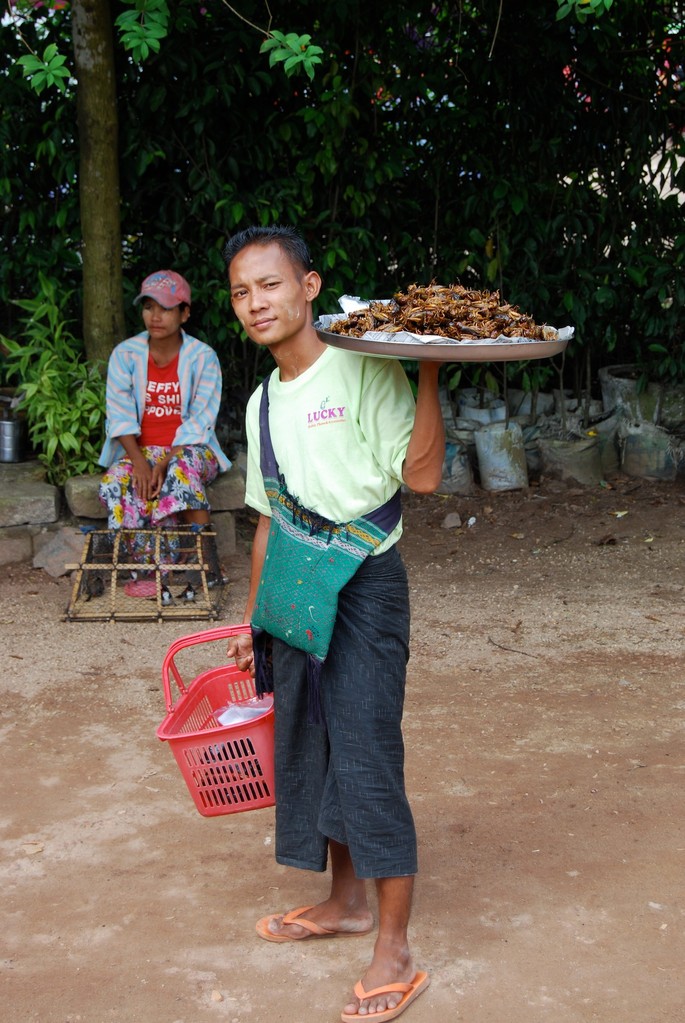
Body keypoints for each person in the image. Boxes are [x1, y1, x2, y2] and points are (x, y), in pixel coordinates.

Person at [223, 225, 446, 1023]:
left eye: (270, 285)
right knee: (313, 740)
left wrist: (425, 372)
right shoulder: (260, 401)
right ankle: (345, 901)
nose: (256, 302)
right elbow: (262, 517)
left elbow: (419, 478)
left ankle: (395, 948)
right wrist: (257, 624)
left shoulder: (363, 369)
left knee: (366, 751)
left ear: (309, 287)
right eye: (243, 291)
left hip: (365, 586)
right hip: (295, 587)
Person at [98, 270, 230, 565]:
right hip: (139, 451)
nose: (155, 316)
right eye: (149, 307)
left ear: (184, 314)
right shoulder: (125, 354)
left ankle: (201, 559)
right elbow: (118, 413)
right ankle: (148, 565)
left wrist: (163, 462)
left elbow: (200, 421)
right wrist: (141, 463)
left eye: (166, 308)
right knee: (117, 481)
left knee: (179, 472)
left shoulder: (203, 357)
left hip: (191, 449)